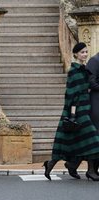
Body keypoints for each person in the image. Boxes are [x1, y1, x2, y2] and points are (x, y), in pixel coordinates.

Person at [43, 42, 99, 181]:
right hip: (78, 112)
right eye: (82, 52)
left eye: (86, 52)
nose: (85, 54)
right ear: (76, 54)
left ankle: (54, 164)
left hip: (85, 109)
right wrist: (73, 114)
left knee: (72, 142)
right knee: (93, 141)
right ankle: (91, 171)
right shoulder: (74, 71)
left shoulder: (84, 69)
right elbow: (71, 95)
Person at [86, 51, 99, 175]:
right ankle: (92, 170)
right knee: (95, 137)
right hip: (95, 103)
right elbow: (91, 81)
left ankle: (94, 169)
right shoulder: (94, 60)